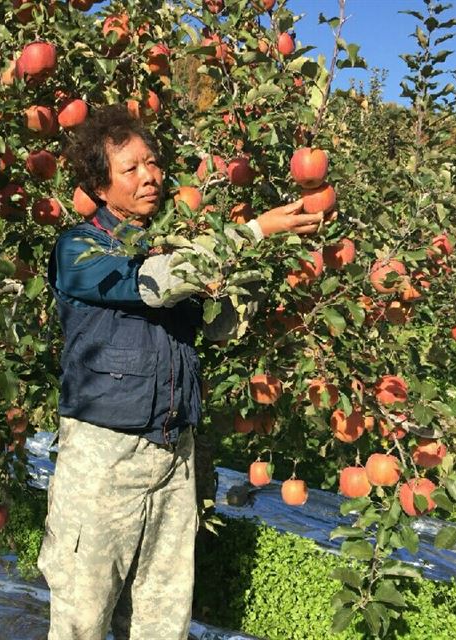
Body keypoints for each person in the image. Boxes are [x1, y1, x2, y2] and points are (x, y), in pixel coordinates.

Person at [37, 104, 324, 640]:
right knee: (83, 615)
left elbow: (213, 326)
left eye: (153, 162)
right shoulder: (80, 248)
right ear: (100, 186)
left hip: (174, 455)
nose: (149, 175)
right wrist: (254, 232)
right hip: (104, 460)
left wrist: (261, 279)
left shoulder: (172, 247)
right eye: (131, 168)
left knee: (163, 615)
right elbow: (154, 283)